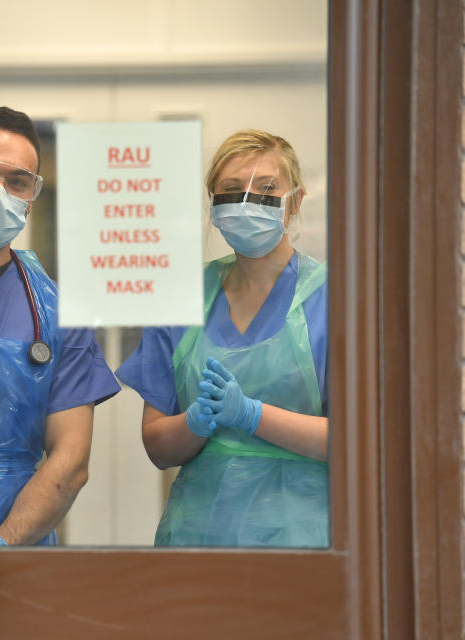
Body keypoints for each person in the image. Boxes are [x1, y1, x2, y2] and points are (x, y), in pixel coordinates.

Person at [116, 129, 328, 548]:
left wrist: (251, 415)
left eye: (267, 189)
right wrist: (197, 422)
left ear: (295, 201)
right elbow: (158, 448)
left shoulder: (336, 299)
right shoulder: (183, 300)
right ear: (213, 205)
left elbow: (359, 443)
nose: (247, 203)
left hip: (304, 539)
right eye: (231, 190)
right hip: (198, 536)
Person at [0, 106, 120, 547]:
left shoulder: (56, 311)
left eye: (16, 181)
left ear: (30, 195)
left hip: (21, 549)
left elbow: (70, 459)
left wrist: (0, 545)